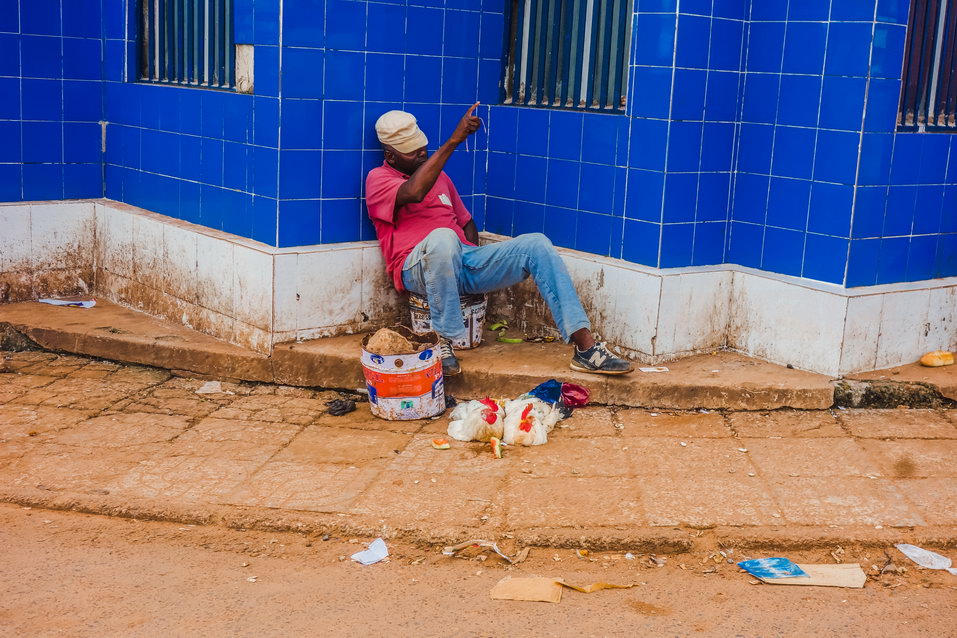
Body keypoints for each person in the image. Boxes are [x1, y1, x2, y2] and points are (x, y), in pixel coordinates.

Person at [364, 102, 633, 378]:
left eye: (422, 146)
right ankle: (441, 343)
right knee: (442, 238)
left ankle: (586, 349)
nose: (422, 152)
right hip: (415, 268)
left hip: (461, 260)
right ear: (391, 156)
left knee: (536, 244)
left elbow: (467, 223)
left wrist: (472, 266)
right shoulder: (378, 179)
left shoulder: (440, 177)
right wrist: (455, 140)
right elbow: (415, 191)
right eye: (412, 151)